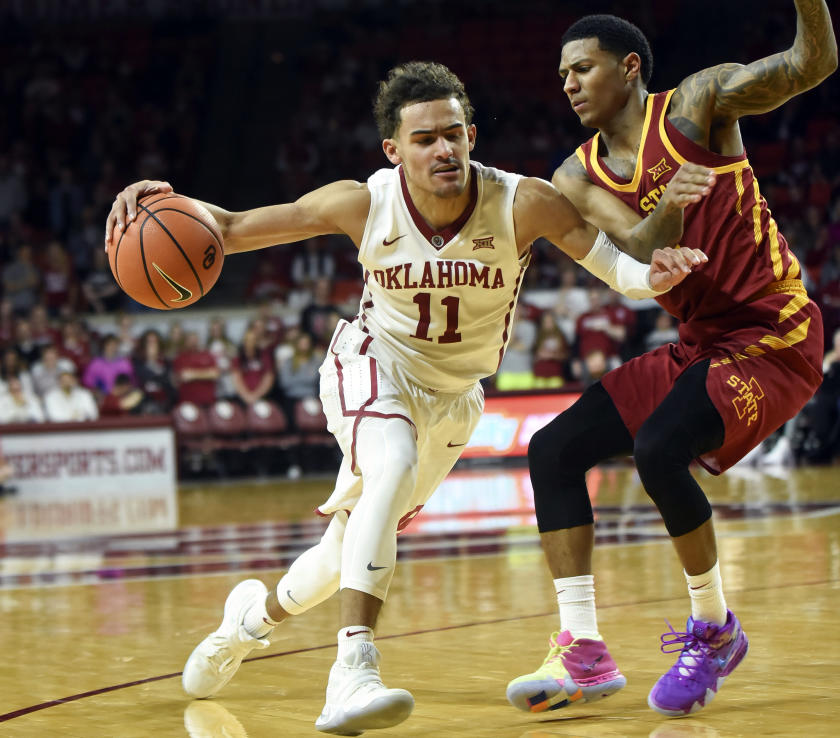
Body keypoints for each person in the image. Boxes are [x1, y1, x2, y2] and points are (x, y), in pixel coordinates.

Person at [105, 61, 705, 735]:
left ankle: (247, 623)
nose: (443, 149)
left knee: (340, 558)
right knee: (386, 465)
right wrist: (160, 202)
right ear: (393, 150)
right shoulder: (362, 204)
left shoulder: (523, 202)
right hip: (372, 364)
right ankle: (352, 672)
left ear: (473, 134)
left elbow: (616, 268)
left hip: (452, 401)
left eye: (453, 134)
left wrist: (654, 273)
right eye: (425, 139)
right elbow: (233, 228)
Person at [508, 6, 836, 720]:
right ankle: (584, 651)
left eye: (582, 67)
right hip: (701, 342)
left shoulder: (700, 102)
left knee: (660, 446)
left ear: (629, 68)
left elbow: (812, 66)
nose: (568, 84)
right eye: (561, 74)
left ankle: (715, 629)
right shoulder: (577, 173)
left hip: (773, 333)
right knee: (553, 449)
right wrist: (675, 207)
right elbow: (634, 247)